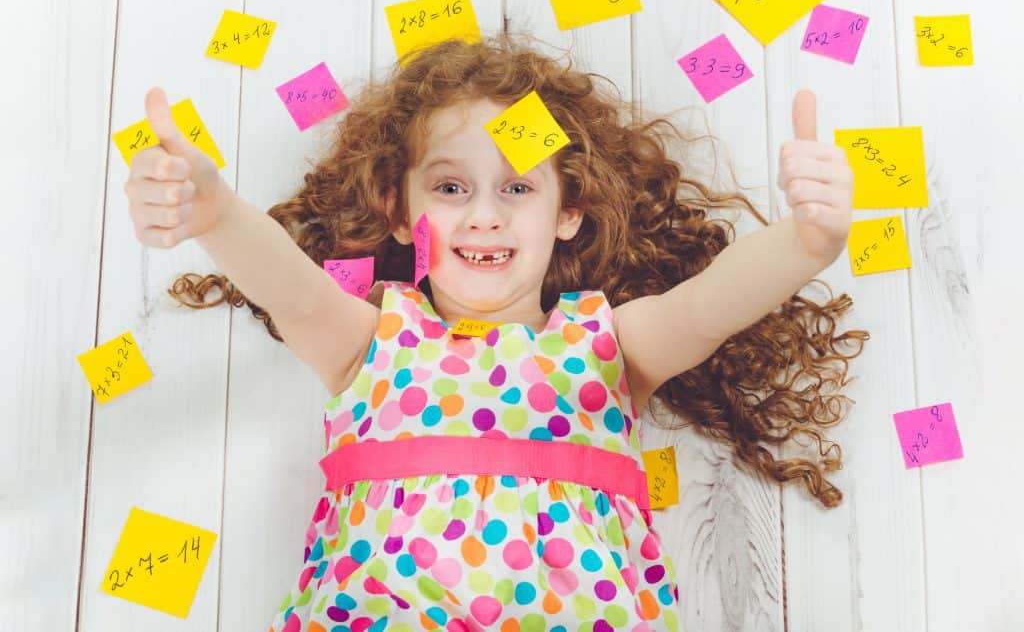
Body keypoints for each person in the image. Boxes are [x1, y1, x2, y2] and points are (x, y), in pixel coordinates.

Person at [124, 34, 867, 630]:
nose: (484, 214)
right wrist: (214, 211)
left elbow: (710, 305)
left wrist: (807, 243)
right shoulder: (373, 339)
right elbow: (285, 281)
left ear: (567, 212)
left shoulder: (607, 347)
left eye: (518, 187)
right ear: (397, 208)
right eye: (450, 187)